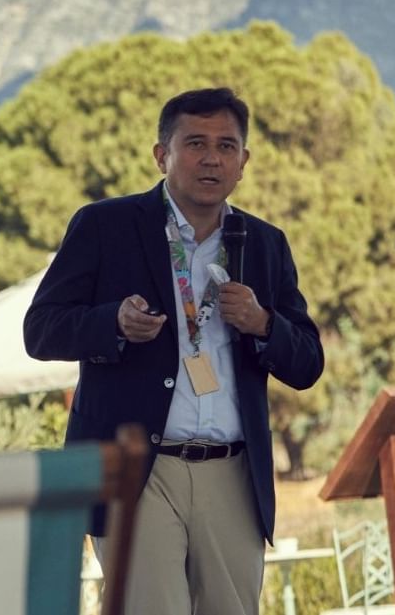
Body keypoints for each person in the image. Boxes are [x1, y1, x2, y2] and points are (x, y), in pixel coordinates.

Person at [24, 86, 323, 615]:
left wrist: (262, 323)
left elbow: (307, 363)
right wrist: (112, 322)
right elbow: (41, 330)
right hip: (137, 472)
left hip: (233, 474)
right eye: (196, 143)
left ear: (244, 162)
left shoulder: (265, 243)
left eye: (227, 146)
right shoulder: (104, 226)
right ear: (162, 154)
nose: (212, 158)